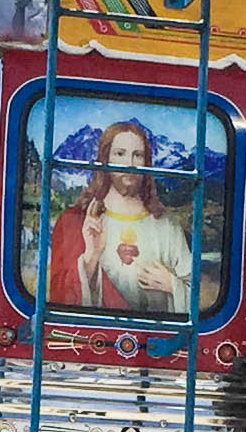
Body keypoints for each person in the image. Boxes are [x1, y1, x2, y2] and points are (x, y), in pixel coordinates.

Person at [44, 117, 197, 315]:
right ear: (105, 159)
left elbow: (197, 298)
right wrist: (91, 257)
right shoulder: (74, 221)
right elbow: (59, 300)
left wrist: (172, 285)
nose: (129, 164)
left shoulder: (167, 226)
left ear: (146, 163)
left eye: (138, 155)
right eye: (120, 154)